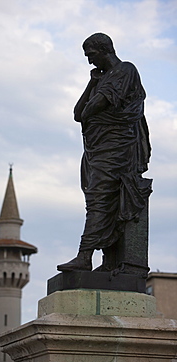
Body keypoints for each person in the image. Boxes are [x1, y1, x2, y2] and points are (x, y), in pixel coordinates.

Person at [57, 33, 152, 273]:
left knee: (101, 197)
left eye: (91, 55)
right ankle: (109, 261)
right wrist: (92, 83)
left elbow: (93, 108)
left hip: (116, 148)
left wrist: (93, 102)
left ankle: (84, 255)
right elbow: (78, 113)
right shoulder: (102, 79)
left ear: (104, 50)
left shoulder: (125, 70)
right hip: (97, 149)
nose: (89, 61)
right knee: (99, 197)